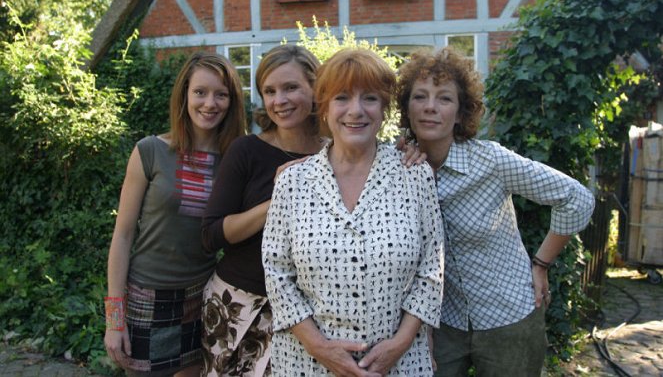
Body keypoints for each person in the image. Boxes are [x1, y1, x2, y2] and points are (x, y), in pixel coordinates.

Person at [396, 47, 596, 377]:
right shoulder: (396, 165)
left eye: (444, 98)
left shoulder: (490, 161)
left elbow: (576, 198)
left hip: (510, 318)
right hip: (442, 324)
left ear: (460, 113)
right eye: (420, 96)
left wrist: (541, 263)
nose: (430, 107)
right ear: (407, 107)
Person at [262, 48, 445, 376]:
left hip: (398, 364)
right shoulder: (293, 181)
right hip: (307, 363)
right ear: (325, 106)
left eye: (370, 99)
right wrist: (319, 347)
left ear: (384, 107)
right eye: (342, 97)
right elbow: (276, 272)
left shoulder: (415, 174)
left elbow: (432, 269)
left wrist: (399, 344)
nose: (356, 111)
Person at [104, 52, 246, 376]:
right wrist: (114, 319)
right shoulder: (149, 151)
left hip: (204, 298)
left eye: (220, 94)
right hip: (144, 299)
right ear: (184, 95)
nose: (210, 103)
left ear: (232, 101)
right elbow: (123, 236)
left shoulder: (237, 159)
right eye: (200, 92)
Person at [200, 44, 324, 376]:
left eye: (290, 88)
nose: (279, 100)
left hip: (307, 315)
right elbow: (212, 234)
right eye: (269, 91)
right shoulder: (247, 151)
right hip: (236, 306)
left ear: (316, 88)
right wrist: (277, 200)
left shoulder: (337, 155)